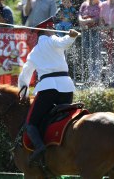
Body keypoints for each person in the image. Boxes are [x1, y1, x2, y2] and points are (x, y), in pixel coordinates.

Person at [18, 17, 79, 164]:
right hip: (66, 88)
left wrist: (24, 94)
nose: (53, 30)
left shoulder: (34, 52)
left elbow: (24, 75)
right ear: (45, 30)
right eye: (51, 28)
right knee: (63, 120)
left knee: (31, 123)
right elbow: (63, 42)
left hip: (48, 89)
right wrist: (71, 37)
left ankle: (39, 147)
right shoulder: (52, 40)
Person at [79, 0, 102, 83]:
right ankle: (90, 76)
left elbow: (101, 17)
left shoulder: (101, 5)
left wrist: (90, 20)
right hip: (86, 32)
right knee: (88, 54)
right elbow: (80, 14)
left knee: (95, 54)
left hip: (96, 32)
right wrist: (83, 21)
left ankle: (96, 76)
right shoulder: (84, 4)